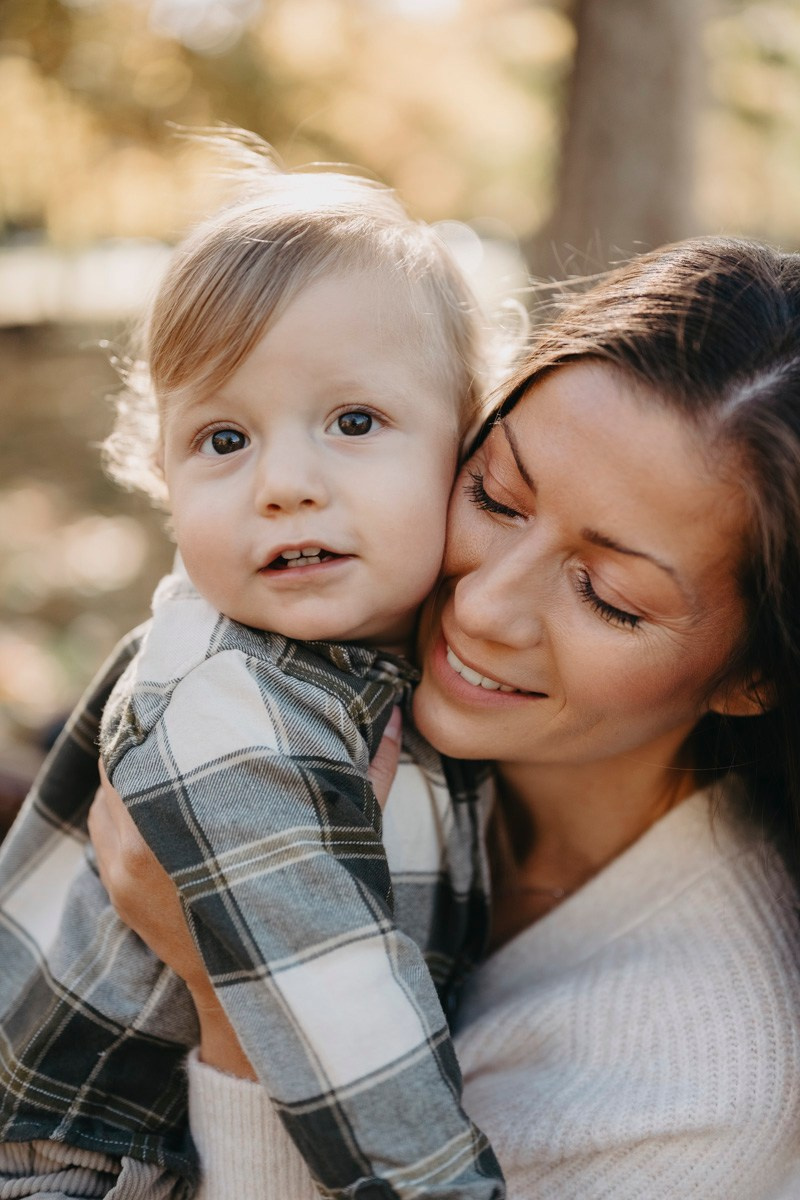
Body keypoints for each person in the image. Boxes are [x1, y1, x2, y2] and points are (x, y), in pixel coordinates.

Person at [89, 236, 800, 1199]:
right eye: (496, 497)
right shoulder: (332, 671)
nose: (482, 607)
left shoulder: (701, 1095)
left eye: (609, 596)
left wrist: (234, 995)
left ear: (753, 674)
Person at [0, 136, 508, 1198]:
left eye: (354, 421)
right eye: (223, 440)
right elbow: (346, 1037)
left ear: (467, 448)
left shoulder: (401, 667)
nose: (283, 483)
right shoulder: (235, 708)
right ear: (161, 473)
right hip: (85, 1164)